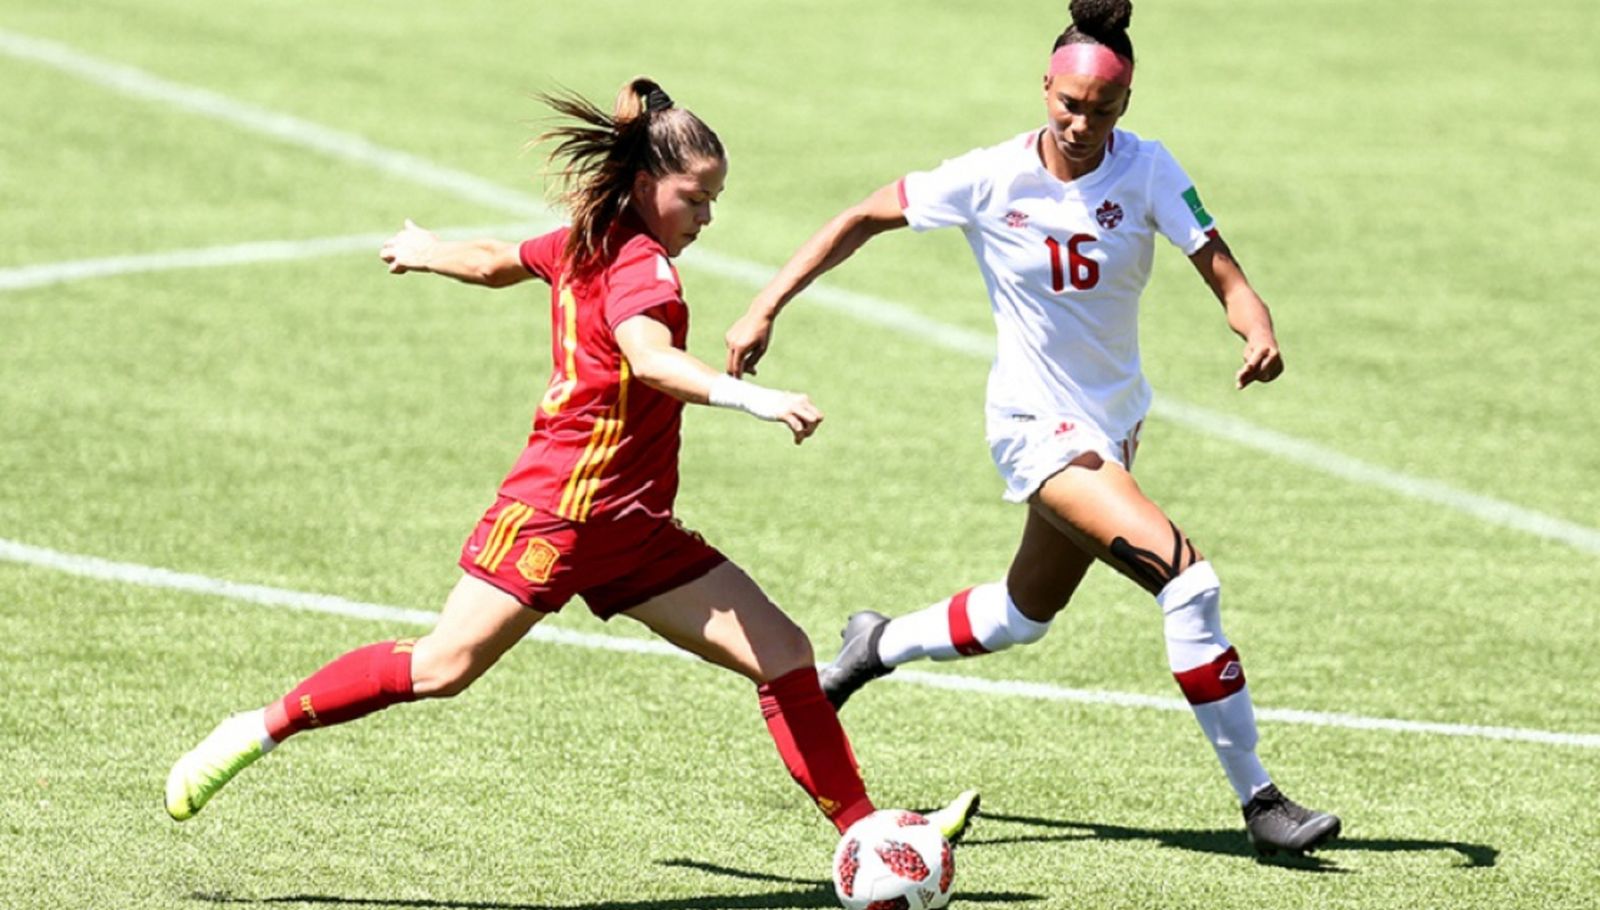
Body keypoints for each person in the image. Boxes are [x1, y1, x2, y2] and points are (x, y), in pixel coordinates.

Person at [164, 77, 978, 846]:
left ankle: (870, 835)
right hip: (558, 514)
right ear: (646, 185)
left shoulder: (588, 241)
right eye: (695, 197)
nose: (707, 216)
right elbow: (650, 359)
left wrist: (430, 249)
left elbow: (495, 259)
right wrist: (755, 401)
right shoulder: (641, 268)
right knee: (442, 667)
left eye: (714, 200)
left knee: (785, 654)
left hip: (634, 529)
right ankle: (256, 729)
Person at [724, 1, 1339, 856]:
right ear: (1045, 87)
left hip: (1113, 426)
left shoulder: (1150, 169)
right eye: (1069, 104)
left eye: (1103, 110)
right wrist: (765, 306)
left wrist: (1256, 325)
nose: (1082, 124)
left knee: (1024, 613)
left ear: (1127, 104)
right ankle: (1262, 802)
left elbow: (1225, 272)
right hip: (1034, 429)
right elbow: (860, 217)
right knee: (1188, 584)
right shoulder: (990, 177)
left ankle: (874, 645)